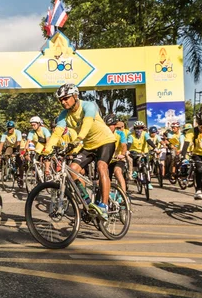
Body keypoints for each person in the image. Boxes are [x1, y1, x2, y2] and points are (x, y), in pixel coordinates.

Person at [43, 83, 116, 220]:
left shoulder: (88, 105)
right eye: (61, 100)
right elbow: (57, 133)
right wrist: (46, 151)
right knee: (72, 169)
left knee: (102, 166)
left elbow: (87, 123)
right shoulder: (64, 115)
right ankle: (87, 203)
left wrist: (79, 138)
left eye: (66, 98)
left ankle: (104, 207)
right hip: (89, 145)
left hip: (105, 141)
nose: (63, 102)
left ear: (75, 96)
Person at [127, 121, 156, 189]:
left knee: (147, 168)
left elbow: (149, 141)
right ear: (134, 129)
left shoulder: (145, 134)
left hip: (144, 152)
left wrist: (155, 148)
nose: (139, 129)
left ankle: (148, 183)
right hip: (135, 152)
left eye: (141, 128)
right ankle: (135, 172)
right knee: (134, 160)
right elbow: (129, 144)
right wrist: (127, 150)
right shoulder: (131, 135)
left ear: (143, 129)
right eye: (137, 128)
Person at [104, 114, 128, 193]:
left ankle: (124, 194)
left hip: (117, 159)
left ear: (115, 125)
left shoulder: (120, 134)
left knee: (117, 171)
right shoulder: (103, 134)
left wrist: (123, 154)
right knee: (105, 177)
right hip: (107, 160)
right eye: (107, 125)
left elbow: (124, 145)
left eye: (110, 125)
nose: (108, 127)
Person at [0, 121, 23, 185]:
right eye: (8, 128)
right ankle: (9, 165)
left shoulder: (18, 132)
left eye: (10, 128)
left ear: (14, 128)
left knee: (19, 162)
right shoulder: (5, 134)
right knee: (6, 154)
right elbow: (1, 144)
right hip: (11, 147)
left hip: (19, 146)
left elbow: (18, 142)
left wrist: (17, 152)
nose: (9, 130)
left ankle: (21, 178)